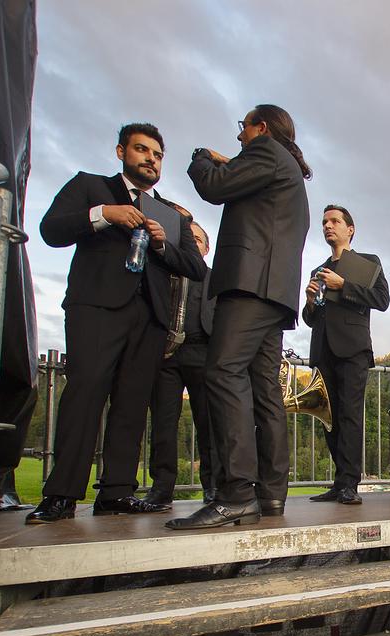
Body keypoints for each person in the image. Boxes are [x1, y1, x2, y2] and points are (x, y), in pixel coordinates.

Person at [27, 122, 206, 524]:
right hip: (98, 307)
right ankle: (61, 494)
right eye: (142, 150)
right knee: (85, 394)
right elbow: (50, 230)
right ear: (121, 151)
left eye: (158, 155)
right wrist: (104, 214)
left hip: (150, 318)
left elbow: (195, 266)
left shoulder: (172, 214)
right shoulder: (90, 187)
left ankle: (117, 492)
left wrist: (161, 243)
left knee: (131, 404)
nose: (150, 159)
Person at [168, 105, 310, 529]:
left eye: (243, 128)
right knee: (264, 389)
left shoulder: (265, 151)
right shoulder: (282, 164)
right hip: (273, 292)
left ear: (262, 128)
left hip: (250, 285)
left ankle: (235, 494)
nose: (239, 137)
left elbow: (213, 186)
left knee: (223, 372)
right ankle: (270, 494)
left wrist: (201, 156)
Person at [303, 205, 390, 505]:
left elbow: (382, 300)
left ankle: (351, 484)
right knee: (330, 418)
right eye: (325, 221)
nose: (328, 225)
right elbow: (310, 319)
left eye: (335, 221)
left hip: (353, 350)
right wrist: (310, 301)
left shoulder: (368, 262)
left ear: (350, 229)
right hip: (323, 350)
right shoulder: (319, 269)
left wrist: (345, 286)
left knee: (351, 416)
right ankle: (340, 482)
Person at [143, 217, 222, 505]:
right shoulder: (165, 274)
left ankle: (212, 486)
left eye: (197, 240)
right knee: (163, 423)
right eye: (187, 239)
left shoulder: (217, 278)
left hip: (204, 354)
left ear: (206, 248)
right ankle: (161, 487)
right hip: (168, 355)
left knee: (209, 425)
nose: (192, 244)